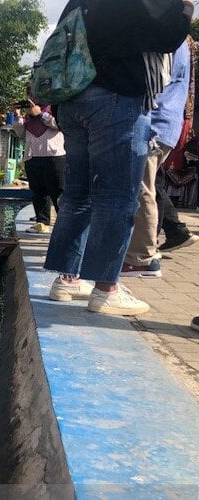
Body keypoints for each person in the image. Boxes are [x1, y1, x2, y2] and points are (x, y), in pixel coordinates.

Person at [44, 0, 193, 316]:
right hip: (116, 98)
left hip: (72, 100)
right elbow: (165, 36)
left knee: (78, 194)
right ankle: (106, 289)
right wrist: (186, 5)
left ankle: (68, 279)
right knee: (117, 197)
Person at [121, 40, 192, 278]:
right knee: (144, 186)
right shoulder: (177, 35)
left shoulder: (169, 33)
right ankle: (140, 253)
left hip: (155, 121)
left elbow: (156, 79)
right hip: (163, 121)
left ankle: (141, 257)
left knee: (142, 187)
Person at [13, 98, 66, 234]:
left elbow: (60, 124)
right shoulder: (28, 115)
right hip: (32, 156)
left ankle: (65, 224)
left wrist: (41, 114)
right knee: (38, 192)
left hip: (54, 156)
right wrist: (18, 115)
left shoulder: (55, 107)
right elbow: (20, 133)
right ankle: (42, 222)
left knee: (58, 191)